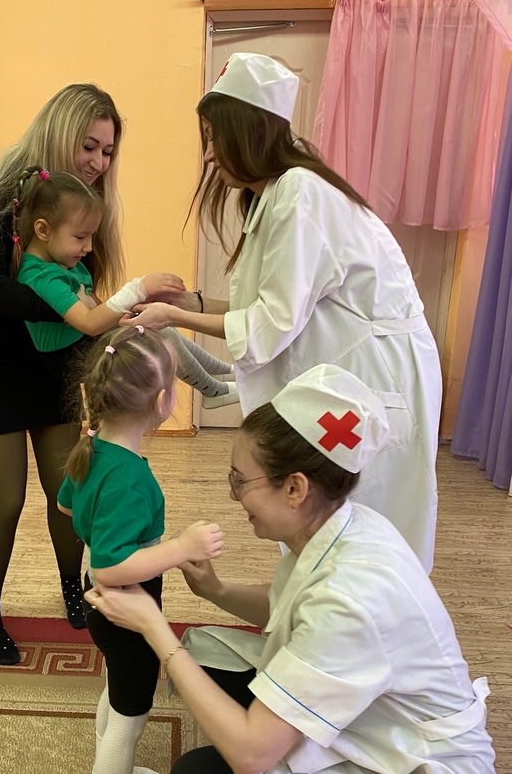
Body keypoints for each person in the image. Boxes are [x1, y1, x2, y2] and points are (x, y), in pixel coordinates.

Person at [85, 364, 498, 774]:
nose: (233, 496)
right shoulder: (342, 525)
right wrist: (216, 591)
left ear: (296, 488)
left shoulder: (353, 597)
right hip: (376, 726)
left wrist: (155, 630)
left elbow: (250, 754)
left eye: (239, 480)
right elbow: (286, 604)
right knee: (209, 665)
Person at [125, 51, 442, 571]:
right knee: (323, 521)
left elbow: (271, 325)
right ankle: (314, 604)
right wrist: (189, 303)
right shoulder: (275, 194)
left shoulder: (300, 192)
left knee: (365, 524)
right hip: (348, 372)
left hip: (375, 374)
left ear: (248, 134)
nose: (209, 155)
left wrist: (173, 319)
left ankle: (359, 613)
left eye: (216, 139)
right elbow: (274, 305)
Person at [0, 84, 131, 666]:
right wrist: (68, 311)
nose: (99, 162)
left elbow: (82, 297)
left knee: (65, 492)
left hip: (47, 358)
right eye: (89, 146)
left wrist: (98, 326)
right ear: (59, 133)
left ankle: (74, 589)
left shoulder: (83, 208)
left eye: (108, 151)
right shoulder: (1, 198)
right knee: (5, 499)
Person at [57, 324, 224, 774]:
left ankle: (112, 768)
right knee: (130, 716)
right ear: (162, 402)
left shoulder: (92, 448)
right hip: (125, 606)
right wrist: (179, 547)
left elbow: (65, 505)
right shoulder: (129, 477)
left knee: (116, 691)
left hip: (106, 604)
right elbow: (112, 566)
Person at [12, 166, 239, 408]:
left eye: (91, 236)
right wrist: (136, 290)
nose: (89, 247)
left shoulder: (61, 261)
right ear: (43, 230)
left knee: (159, 326)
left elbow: (94, 305)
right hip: (67, 357)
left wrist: (125, 314)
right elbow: (89, 323)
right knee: (156, 336)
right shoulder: (42, 276)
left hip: (82, 342)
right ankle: (213, 391)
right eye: (80, 237)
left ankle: (226, 372)